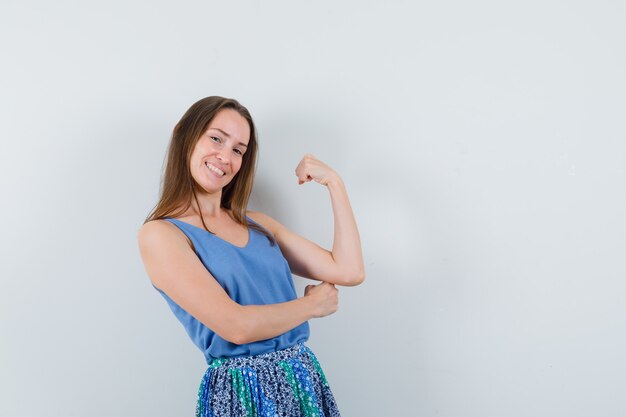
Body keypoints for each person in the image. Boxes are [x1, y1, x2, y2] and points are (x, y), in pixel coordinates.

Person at [137, 96, 364, 417]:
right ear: (183, 134)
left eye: (238, 150)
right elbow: (236, 326)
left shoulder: (258, 223)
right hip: (242, 391)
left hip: (302, 378)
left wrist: (335, 184)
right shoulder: (161, 234)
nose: (225, 156)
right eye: (216, 138)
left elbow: (349, 270)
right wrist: (312, 305)